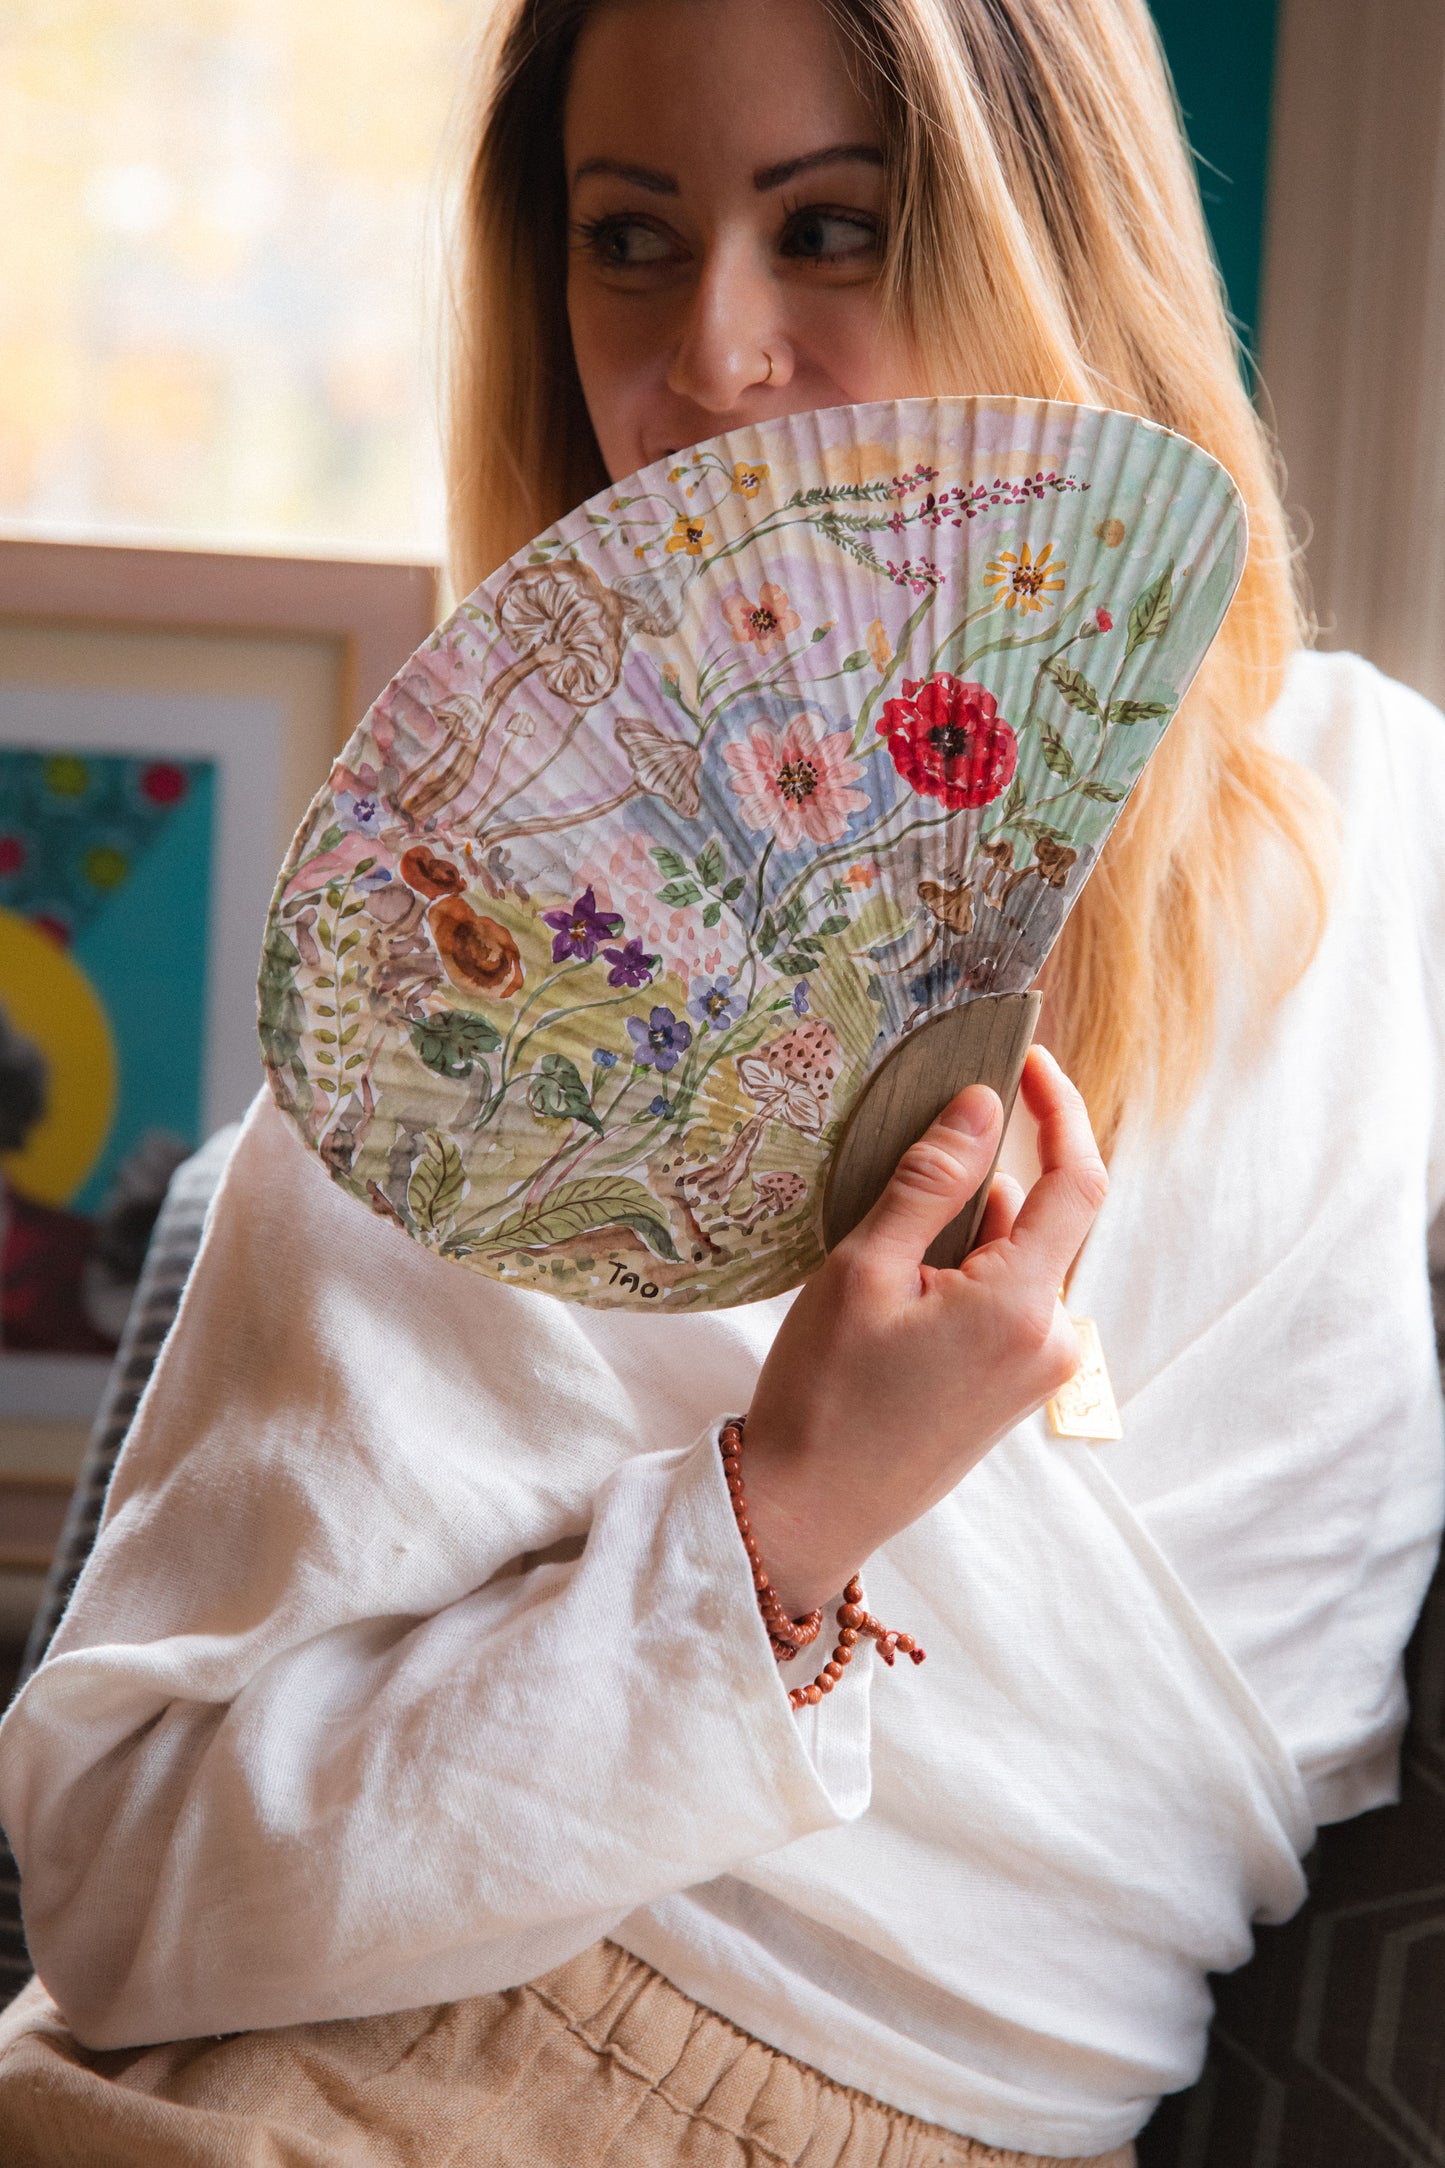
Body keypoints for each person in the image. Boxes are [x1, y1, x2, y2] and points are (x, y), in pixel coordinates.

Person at [0, 2, 1442, 2164]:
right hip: (334, 2096)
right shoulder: (476, 985)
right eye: (630, 239)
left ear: (1055, 233)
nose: (714, 358)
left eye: (834, 228)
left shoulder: (1383, 836)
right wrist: (781, 1525)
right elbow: (113, 1881)